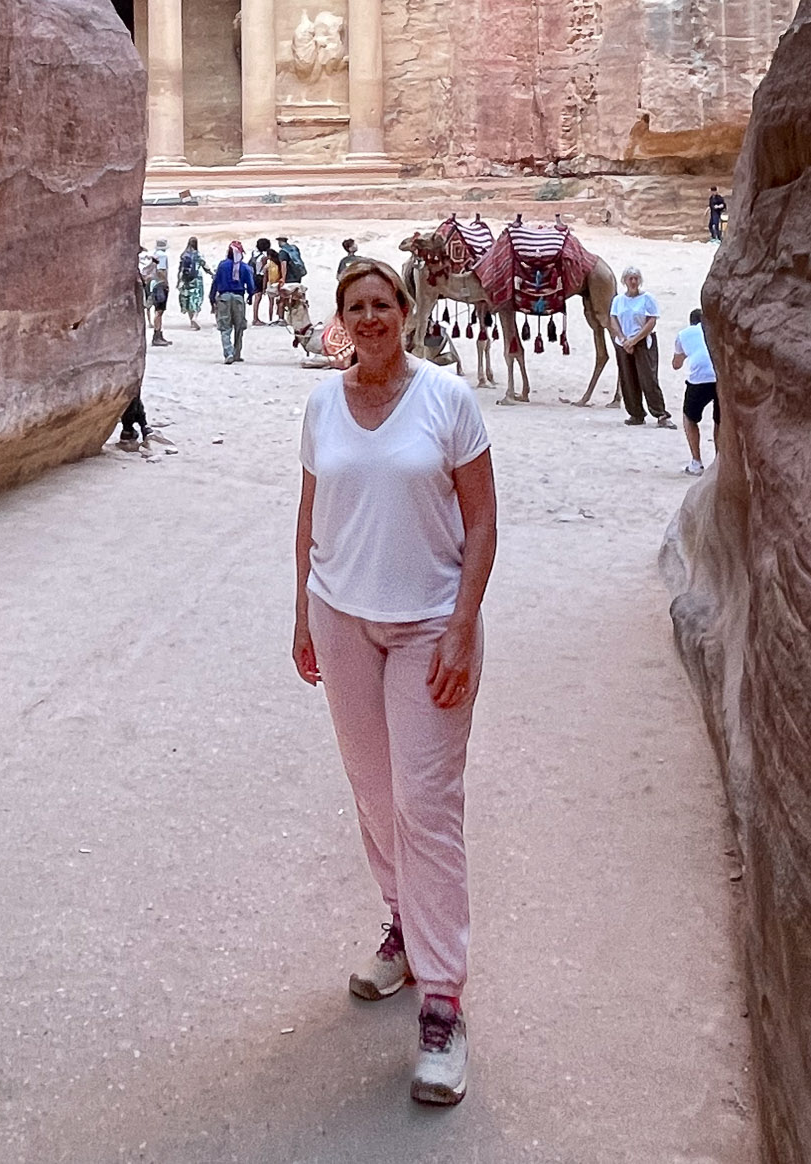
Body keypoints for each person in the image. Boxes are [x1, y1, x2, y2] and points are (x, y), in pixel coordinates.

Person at [293, 259, 498, 1108]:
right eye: (355, 308)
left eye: (382, 305)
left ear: (406, 313)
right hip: (341, 618)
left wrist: (460, 625)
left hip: (428, 626)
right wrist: (300, 613)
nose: (370, 318)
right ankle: (405, 931)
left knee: (425, 803)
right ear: (339, 321)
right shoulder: (318, 403)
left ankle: (442, 999)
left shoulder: (448, 401)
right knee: (375, 796)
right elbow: (310, 514)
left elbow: (482, 517)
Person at [609, 266, 672, 427]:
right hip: (624, 343)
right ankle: (635, 413)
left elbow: (651, 321)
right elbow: (614, 319)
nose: (633, 281)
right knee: (628, 378)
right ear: (625, 281)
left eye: (636, 278)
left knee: (648, 378)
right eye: (630, 278)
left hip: (643, 342)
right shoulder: (618, 301)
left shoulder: (647, 298)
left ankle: (660, 414)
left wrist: (635, 340)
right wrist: (623, 339)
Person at [672, 307, 719, 474]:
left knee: (689, 417)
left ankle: (696, 462)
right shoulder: (715, 330)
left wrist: (686, 353)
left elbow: (676, 364)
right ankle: (719, 461)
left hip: (699, 379)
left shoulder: (685, 334)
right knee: (719, 420)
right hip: (720, 376)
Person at [211, 241, 254, 363]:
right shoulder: (245, 267)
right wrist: (250, 295)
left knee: (225, 327)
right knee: (239, 327)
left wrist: (212, 297)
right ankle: (237, 353)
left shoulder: (222, 265)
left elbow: (216, 282)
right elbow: (251, 285)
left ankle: (228, 352)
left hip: (224, 298)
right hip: (238, 298)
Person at [177, 237, 211, 329]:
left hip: (186, 280)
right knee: (197, 299)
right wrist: (212, 273)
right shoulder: (198, 255)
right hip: (196, 280)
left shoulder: (184, 255)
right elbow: (205, 266)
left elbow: (180, 269)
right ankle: (195, 317)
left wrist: (179, 281)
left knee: (188, 299)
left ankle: (191, 321)